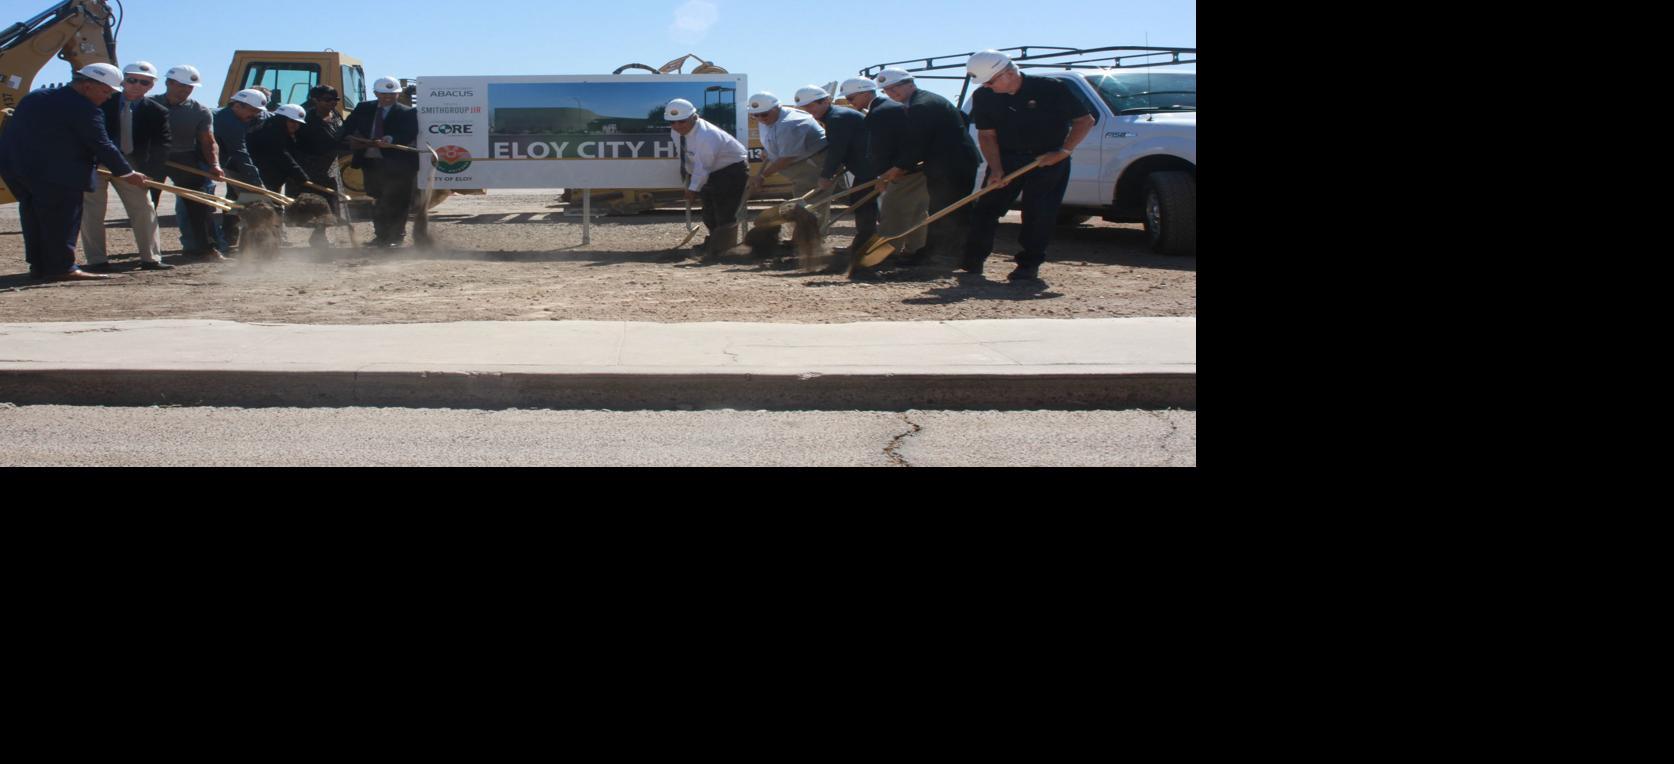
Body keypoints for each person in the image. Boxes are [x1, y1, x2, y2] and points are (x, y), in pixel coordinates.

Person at [0, 64, 147, 281]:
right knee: (62, 222)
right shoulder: (85, 108)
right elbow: (102, 144)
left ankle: (39, 266)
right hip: (59, 176)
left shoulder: (35, 97)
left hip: (18, 171)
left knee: (34, 218)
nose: (107, 98)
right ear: (87, 86)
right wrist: (127, 173)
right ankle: (62, 268)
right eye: (106, 91)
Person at [962, 50, 1095, 282]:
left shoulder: (1051, 88)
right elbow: (987, 134)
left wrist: (1063, 152)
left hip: (1048, 160)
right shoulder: (985, 96)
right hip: (1007, 159)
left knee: (1038, 214)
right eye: (984, 83)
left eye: (991, 82)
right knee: (985, 210)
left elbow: (1084, 121)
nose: (988, 87)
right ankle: (972, 261)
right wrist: (996, 168)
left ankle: (1028, 265)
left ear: (1009, 72)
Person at [874, 67, 981, 267]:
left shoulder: (921, 105)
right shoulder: (927, 100)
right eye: (887, 90)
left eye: (896, 87)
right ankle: (935, 254)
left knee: (950, 211)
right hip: (948, 163)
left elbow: (916, 143)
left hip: (952, 166)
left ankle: (948, 258)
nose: (892, 93)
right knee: (940, 209)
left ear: (910, 83)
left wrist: (899, 168)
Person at [81, 61, 174, 272]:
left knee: (144, 208)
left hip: (132, 165)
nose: (137, 85)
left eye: (144, 82)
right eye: (132, 80)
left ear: (151, 85)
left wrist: (151, 173)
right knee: (92, 211)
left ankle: (151, 258)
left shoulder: (157, 111)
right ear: (123, 81)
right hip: (98, 163)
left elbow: (163, 145)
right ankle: (97, 261)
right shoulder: (101, 101)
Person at [150, 64, 226, 259]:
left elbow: (208, 141)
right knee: (147, 204)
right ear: (168, 83)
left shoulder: (199, 110)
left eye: (189, 87)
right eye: (180, 85)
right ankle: (149, 252)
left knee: (198, 203)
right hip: (153, 158)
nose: (185, 90)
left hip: (184, 156)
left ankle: (204, 248)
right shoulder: (149, 104)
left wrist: (214, 164)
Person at [859, 69, 927, 276]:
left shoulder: (881, 113)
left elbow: (881, 150)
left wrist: (883, 176)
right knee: (917, 213)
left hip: (904, 171)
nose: (890, 92)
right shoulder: (897, 107)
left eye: (852, 97)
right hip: (916, 168)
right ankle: (917, 252)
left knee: (893, 213)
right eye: (887, 89)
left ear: (866, 94)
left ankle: (883, 257)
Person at [796, 84, 875, 259]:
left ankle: (867, 246)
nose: (809, 111)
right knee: (862, 203)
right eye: (805, 107)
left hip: (870, 168)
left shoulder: (838, 118)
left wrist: (826, 175)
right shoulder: (835, 116)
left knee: (864, 204)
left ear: (825, 101)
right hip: (864, 167)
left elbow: (837, 150)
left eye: (811, 106)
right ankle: (865, 243)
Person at [665, 98, 749, 262]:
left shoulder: (706, 135)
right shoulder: (676, 132)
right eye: (672, 122)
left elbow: (703, 166)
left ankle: (725, 250)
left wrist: (693, 189)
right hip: (710, 172)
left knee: (725, 211)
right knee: (709, 212)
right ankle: (716, 243)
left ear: (693, 117)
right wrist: (688, 179)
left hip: (730, 171)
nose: (677, 126)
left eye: (681, 121)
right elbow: (688, 158)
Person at [341, 76, 418, 248]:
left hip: (399, 165)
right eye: (383, 94)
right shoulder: (363, 108)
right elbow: (347, 127)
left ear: (398, 94)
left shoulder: (408, 112)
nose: (387, 97)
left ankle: (397, 236)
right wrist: (343, 138)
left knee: (398, 200)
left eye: (392, 94)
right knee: (377, 198)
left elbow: (409, 133)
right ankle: (381, 236)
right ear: (376, 93)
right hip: (371, 162)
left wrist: (391, 139)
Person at [743, 91, 828, 210]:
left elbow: (787, 158)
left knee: (810, 206)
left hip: (812, 165)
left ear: (777, 107)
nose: (760, 118)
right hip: (801, 165)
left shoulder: (789, 124)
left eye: (764, 114)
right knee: (805, 203)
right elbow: (773, 139)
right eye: (755, 115)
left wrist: (762, 175)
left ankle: (814, 227)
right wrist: (768, 151)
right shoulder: (768, 119)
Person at [213, 88, 270, 249]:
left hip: (221, 162)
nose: (254, 115)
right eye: (252, 111)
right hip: (201, 161)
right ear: (238, 105)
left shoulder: (236, 118)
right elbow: (240, 153)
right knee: (202, 205)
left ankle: (227, 240)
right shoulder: (228, 121)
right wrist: (257, 184)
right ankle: (213, 243)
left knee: (244, 198)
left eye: (257, 112)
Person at [295, 85, 346, 245]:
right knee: (317, 203)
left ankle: (320, 235)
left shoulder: (336, 115)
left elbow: (341, 135)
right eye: (327, 100)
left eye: (335, 100)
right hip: (311, 167)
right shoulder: (308, 119)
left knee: (330, 202)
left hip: (330, 166)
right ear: (315, 100)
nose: (333, 103)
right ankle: (317, 237)